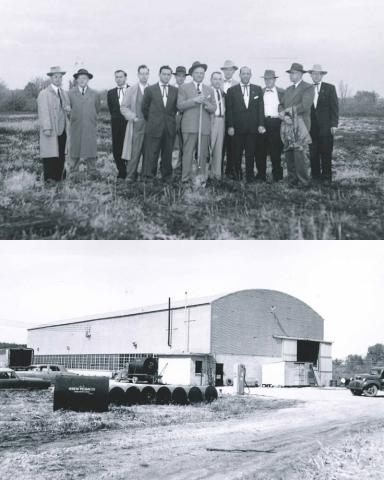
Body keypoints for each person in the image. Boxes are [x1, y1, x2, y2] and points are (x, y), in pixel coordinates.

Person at [177, 61, 216, 186]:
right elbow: (180, 106)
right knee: (187, 153)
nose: (200, 75)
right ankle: (185, 179)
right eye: (197, 73)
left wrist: (206, 104)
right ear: (192, 74)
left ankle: (200, 178)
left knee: (203, 154)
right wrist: (194, 100)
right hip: (189, 126)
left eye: (202, 73)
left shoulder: (209, 89)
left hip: (204, 127)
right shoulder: (184, 88)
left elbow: (213, 108)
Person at [226, 66, 266, 182]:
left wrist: (261, 124)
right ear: (240, 75)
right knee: (236, 154)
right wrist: (230, 126)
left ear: (251, 75)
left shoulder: (257, 89)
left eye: (248, 73)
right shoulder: (232, 90)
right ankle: (237, 176)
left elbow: (260, 109)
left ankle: (250, 177)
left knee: (250, 154)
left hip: (253, 129)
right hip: (237, 129)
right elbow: (230, 110)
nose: (246, 75)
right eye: (243, 73)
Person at [280, 63, 314, 186]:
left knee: (299, 154)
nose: (291, 75)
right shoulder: (288, 89)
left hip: (301, 125)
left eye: (293, 73)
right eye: (290, 73)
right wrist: (282, 114)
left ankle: (304, 182)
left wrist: (287, 114)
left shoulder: (308, 87)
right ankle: (292, 180)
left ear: (300, 74)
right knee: (289, 153)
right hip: (287, 124)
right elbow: (281, 105)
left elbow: (305, 105)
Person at [142, 65, 178, 181]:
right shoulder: (150, 90)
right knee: (152, 154)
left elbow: (174, 109)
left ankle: (167, 177)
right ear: (159, 74)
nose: (166, 76)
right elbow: (144, 108)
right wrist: (154, 120)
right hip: (154, 127)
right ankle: (148, 177)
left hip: (169, 128)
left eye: (169, 74)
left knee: (167, 154)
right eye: (164, 74)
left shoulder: (175, 90)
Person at [37, 66, 70, 182]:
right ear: (51, 78)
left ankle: (59, 178)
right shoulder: (44, 93)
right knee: (50, 155)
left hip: (62, 130)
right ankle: (49, 181)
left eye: (60, 77)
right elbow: (43, 112)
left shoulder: (64, 93)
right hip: (51, 130)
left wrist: (68, 109)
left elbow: (67, 109)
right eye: (55, 76)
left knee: (61, 154)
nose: (58, 79)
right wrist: (46, 128)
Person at [308, 64, 339, 182]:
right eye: (313, 74)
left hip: (326, 128)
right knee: (313, 154)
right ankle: (315, 177)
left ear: (322, 75)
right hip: (311, 128)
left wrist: (334, 125)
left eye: (318, 74)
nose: (316, 76)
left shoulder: (330, 88)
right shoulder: (307, 89)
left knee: (326, 154)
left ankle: (327, 178)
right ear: (311, 75)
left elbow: (334, 108)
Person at [68, 68, 100, 179]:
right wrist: (74, 118)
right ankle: (73, 171)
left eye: (84, 78)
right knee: (74, 147)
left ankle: (92, 171)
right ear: (76, 80)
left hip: (89, 125)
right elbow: (68, 110)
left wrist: (91, 118)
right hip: (75, 125)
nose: (82, 80)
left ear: (88, 80)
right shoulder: (70, 93)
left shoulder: (95, 94)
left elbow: (97, 109)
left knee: (90, 147)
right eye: (80, 78)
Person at [120, 65, 150, 182]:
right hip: (136, 125)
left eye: (146, 73)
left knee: (148, 152)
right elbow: (123, 107)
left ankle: (146, 175)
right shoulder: (131, 90)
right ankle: (131, 175)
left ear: (149, 74)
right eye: (141, 73)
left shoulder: (153, 89)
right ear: (138, 75)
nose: (144, 76)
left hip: (150, 126)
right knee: (134, 152)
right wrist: (133, 117)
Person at [261, 70, 285, 181]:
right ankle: (261, 175)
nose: (268, 81)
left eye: (270, 79)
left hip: (276, 123)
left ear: (274, 80)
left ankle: (277, 176)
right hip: (263, 123)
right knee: (261, 151)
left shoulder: (281, 92)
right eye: (266, 79)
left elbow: (285, 107)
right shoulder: (260, 92)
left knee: (276, 151)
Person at [107, 70, 130, 179]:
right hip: (116, 123)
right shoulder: (110, 93)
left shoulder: (132, 90)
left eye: (121, 77)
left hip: (129, 123)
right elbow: (112, 109)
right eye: (116, 77)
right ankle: (121, 172)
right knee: (117, 148)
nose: (119, 79)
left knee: (129, 147)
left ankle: (130, 170)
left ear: (125, 77)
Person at [220, 60, 239, 179]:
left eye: (230, 70)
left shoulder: (238, 85)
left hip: (233, 120)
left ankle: (231, 171)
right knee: (220, 147)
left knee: (232, 146)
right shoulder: (217, 83)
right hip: (220, 119)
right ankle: (218, 171)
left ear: (233, 71)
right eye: (226, 70)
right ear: (223, 71)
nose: (228, 72)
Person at [172, 66, 189, 174]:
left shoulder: (188, 89)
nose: (180, 78)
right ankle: (173, 167)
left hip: (185, 118)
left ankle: (183, 167)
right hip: (173, 118)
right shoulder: (171, 88)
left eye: (183, 76)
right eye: (178, 76)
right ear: (175, 77)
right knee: (174, 144)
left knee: (185, 143)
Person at [210, 71, 226, 180]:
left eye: (220, 79)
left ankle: (216, 175)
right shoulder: (208, 91)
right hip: (211, 120)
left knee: (219, 149)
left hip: (221, 121)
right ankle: (204, 174)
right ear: (211, 80)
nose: (217, 81)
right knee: (208, 148)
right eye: (215, 79)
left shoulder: (222, 92)